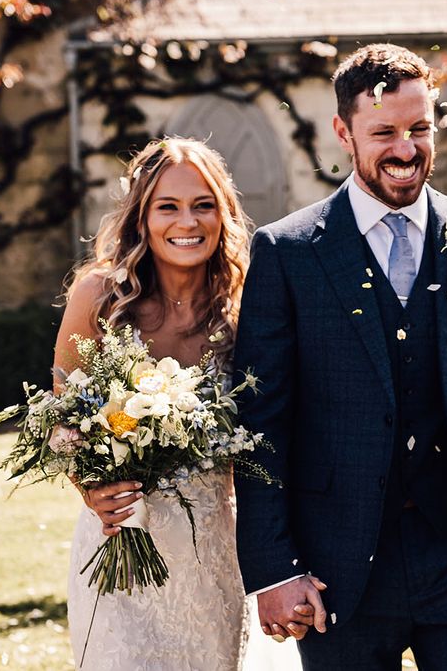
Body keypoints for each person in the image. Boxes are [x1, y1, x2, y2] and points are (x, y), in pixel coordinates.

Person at [233, 44, 447, 670]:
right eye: (383, 132)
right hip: (338, 567)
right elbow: (261, 425)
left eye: (420, 128)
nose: (406, 149)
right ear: (343, 131)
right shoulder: (287, 253)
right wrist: (274, 568)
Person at [55, 137, 290, 670]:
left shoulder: (247, 301)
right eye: (169, 206)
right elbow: (62, 414)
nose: (188, 221)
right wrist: (91, 486)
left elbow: (276, 424)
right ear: (142, 216)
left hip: (215, 548)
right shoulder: (99, 294)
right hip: (120, 539)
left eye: (203, 205)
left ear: (223, 214)